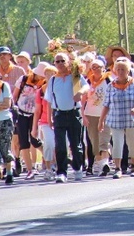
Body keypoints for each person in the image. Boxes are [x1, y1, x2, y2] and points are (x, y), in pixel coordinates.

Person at [45, 52, 89, 183]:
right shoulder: (53, 80)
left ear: (68, 62)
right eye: (57, 62)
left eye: (62, 61)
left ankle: (77, 167)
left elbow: (86, 86)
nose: (60, 64)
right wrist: (49, 118)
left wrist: (80, 92)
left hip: (74, 113)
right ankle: (61, 172)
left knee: (75, 144)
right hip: (59, 114)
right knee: (60, 145)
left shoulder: (74, 77)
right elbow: (49, 100)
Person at [100, 59, 134, 178]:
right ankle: (118, 168)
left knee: (132, 143)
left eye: (123, 69)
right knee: (117, 143)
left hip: (131, 119)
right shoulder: (111, 85)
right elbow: (106, 104)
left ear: (128, 71)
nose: (120, 72)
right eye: (118, 69)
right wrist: (101, 120)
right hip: (115, 119)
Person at [13, 61, 46, 179]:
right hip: (21, 114)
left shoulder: (45, 83)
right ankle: (29, 170)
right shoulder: (23, 79)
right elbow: (15, 95)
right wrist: (13, 109)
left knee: (35, 140)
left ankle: (49, 161)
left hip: (35, 115)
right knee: (23, 143)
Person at [0, 46, 25, 176]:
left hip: (16, 108)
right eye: (0, 55)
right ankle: (8, 163)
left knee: (16, 137)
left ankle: (17, 159)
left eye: (5, 54)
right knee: (4, 137)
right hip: (0, 110)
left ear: (10, 56)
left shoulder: (19, 71)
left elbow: (26, 89)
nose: (2, 57)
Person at [82, 57, 112, 177]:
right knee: (94, 142)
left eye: (98, 67)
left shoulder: (109, 80)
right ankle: (101, 165)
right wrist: (83, 115)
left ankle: (104, 164)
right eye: (93, 67)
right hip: (90, 114)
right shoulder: (88, 82)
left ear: (103, 68)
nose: (96, 70)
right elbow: (83, 100)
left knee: (104, 141)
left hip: (106, 114)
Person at [31, 63, 57, 180]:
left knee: (61, 146)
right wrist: (34, 128)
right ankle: (48, 167)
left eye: (52, 74)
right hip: (45, 122)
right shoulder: (41, 91)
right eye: (46, 74)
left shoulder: (60, 88)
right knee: (49, 144)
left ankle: (57, 165)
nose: (49, 76)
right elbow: (37, 111)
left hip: (59, 121)